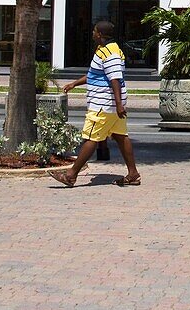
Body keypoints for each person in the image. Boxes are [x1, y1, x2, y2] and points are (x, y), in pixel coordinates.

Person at [48, 20, 141, 188]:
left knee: (91, 138)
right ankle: (133, 174)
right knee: (120, 136)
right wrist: (74, 83)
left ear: (99, 34)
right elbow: (94, 75)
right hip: (109, 105)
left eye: (94, 31)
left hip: (103, 104)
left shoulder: (110, 52)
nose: (92, 33)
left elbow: (115, 79)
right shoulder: (103, 50)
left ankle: (70, 175)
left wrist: (119, 104)